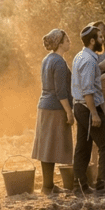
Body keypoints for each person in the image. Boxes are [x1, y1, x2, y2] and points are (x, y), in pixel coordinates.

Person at [71, 24, 105, 194]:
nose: (102, 39)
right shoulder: (88, 61)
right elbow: (88, 90)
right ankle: (103, 184)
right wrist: (94, 114)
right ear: (92, 41)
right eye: (99, 37)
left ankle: (79, 186)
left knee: (83, 146)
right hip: (88, 108)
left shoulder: (81, 56)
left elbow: (97, 70)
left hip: (79, 107)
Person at [31, 29, 75, 195]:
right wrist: (69, 112)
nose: (69, 42)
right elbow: (60, 92)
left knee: (47, 147)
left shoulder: (47, 59)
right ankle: (48, 186)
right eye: (67, 40)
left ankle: (47, 185)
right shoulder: (59, 62)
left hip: (44, 106)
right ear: (60, 43)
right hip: (55, 108)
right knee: (51, 146)